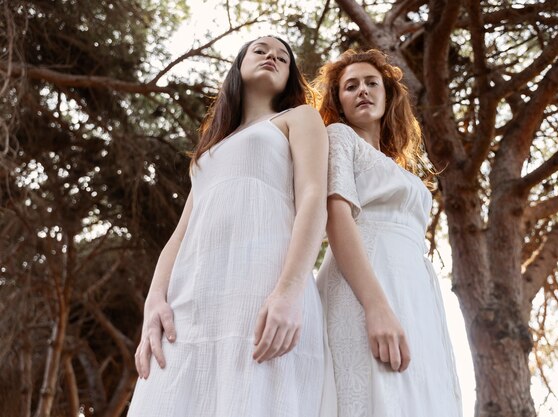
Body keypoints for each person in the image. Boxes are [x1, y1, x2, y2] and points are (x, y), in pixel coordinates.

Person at [127, 36, 333, 417]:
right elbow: (181, 233)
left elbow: (312, 201)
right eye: (261, 50)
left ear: (290, 77)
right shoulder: (210, 148)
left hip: (262, 291)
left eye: (283, 57)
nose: (272, 56)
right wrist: (154, 300)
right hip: (191, 300)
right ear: (238, 65)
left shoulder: (298, 118)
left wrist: (288, 294)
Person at [314, 49, 462, 416]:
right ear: (339, 101)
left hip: (413, 287)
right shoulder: (339, 138)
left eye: (371, 83)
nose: (362, 90)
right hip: (365, 280)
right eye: (350, 86)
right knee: (373, 389)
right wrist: (376, 307)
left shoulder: (402, 170)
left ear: (388, 94)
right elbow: (337, 219)